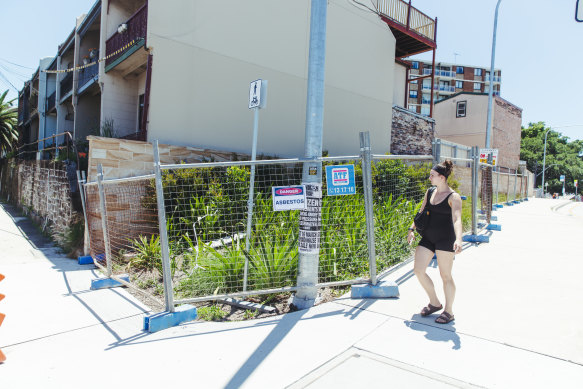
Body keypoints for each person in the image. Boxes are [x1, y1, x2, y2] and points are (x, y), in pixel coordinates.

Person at [407, 160, 463, 324]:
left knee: (445, 275)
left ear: (442, 177)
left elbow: (457, 220)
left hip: (446, 239)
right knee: (418, 270)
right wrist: (411, 229)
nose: (429, 178)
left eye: (432, 175)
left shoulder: (454, 197)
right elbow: (421, 212)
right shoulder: (430, 191)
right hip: (428, 237)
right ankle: (434, 303)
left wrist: (459, 239)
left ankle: (449, 311)